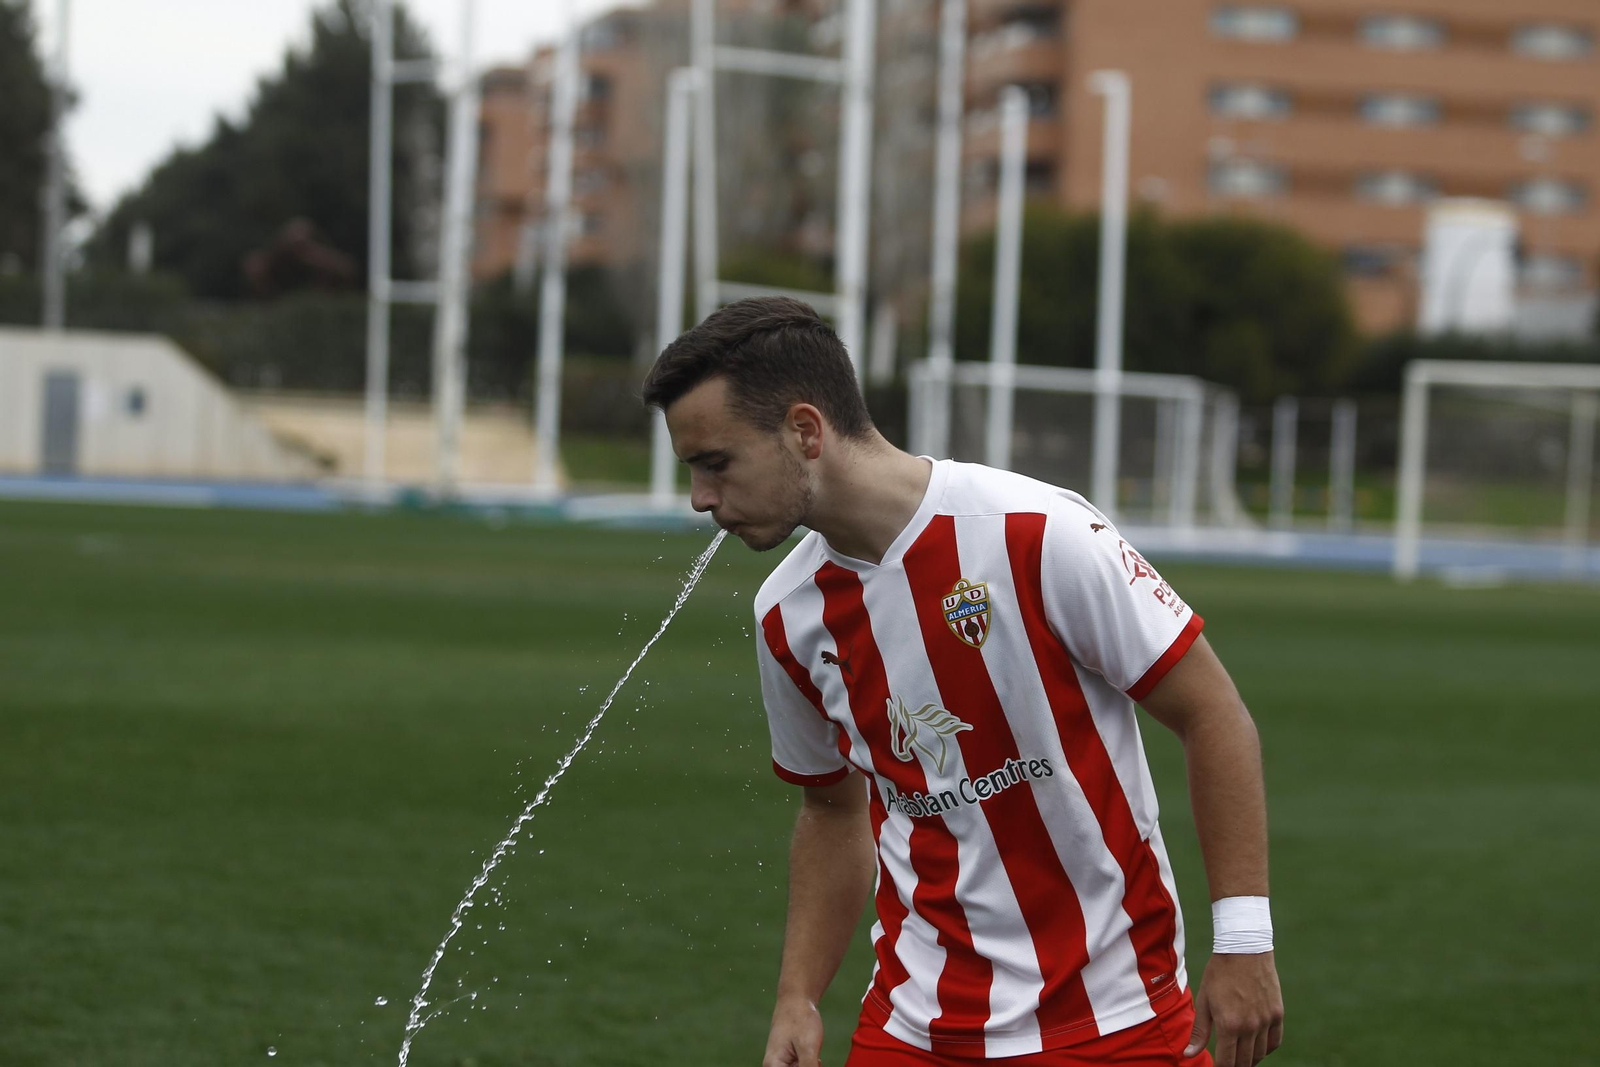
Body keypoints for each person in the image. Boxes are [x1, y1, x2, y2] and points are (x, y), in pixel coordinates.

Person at [643, 297, 1283, 1067]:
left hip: (1115, 1019)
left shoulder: (1036, 532)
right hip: (913, 1027)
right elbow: (830, 807)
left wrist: (1244, 939)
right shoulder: (787, 613)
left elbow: (1212, 712)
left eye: (716, 463)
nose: (700, 498)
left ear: (806, 431)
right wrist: (797, 994)